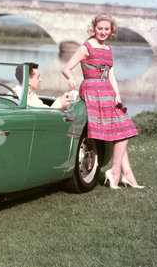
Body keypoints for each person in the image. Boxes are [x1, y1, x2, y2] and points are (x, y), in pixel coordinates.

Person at [62, 13, 143, 189]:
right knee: (122, 129)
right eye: (100, 29)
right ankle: (116, 173)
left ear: (111, 30)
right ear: (94, 28)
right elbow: (66, 68)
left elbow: (112, 76)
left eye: (107, 29)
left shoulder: (108, 49)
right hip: (92, 90)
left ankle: (126, 174)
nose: (103, 32)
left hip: (107, 90)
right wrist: (70, 78)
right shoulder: (86, 47)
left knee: (122, 129)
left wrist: (118, 96)